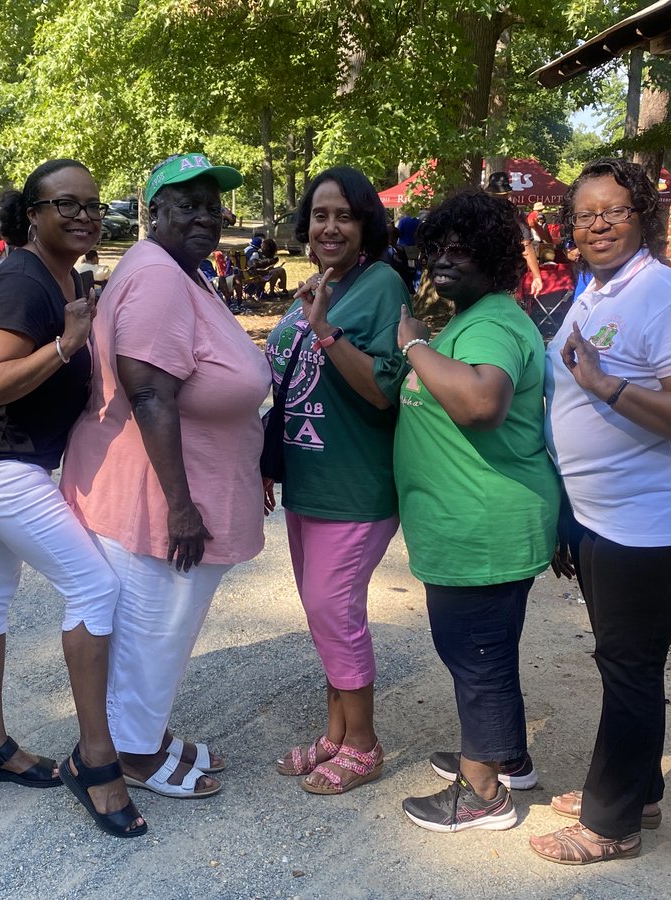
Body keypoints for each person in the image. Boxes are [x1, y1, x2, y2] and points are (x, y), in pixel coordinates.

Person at [530, 158, 671, 865]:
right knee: (632, 660)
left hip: (659, 520)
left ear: (643, 214)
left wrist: (610, 389)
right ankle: (638, 789)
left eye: (613, 211)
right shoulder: (596, 291)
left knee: (628, 663)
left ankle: (611, 821)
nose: (597, 225)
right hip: (604, 516)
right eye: (584, 214)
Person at [0, 161, 146, 838]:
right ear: (34, 213)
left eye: (94, 204)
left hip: (8, 459)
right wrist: (65, 345)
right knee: (95, 588)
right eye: (68, 205)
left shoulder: (69, 276)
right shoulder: (19, 282)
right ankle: (95, 758)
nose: (85, 215)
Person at [60, 153, 269, 800]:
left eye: (213, 205)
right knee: (153, 627)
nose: (207, 216)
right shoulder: (156, 276)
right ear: (154, 213)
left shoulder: (183, 272)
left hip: (176, 489)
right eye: (188, 205)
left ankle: (141, 731)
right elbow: (150, 394)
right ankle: (133, 754)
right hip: (152, 497)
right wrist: (180, 506)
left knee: (166, 627)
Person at [392, 190, 559, 833]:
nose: (444, 258)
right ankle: (506, 757)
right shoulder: (478, 317)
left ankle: (484, 793)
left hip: (482, 527)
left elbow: (482, 403)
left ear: (494, 256)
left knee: (477, 656)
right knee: (487, 650)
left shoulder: (488, 322)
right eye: (437, 247)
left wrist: (412, 345)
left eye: (463, 247)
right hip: (475, 523)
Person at [266, 166, 410, 795]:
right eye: (320, 215)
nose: (330, 226)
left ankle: (364, 744)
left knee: (334, 608)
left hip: (354, 484)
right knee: (323, 613)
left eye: (344, 216)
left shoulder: (380, 286)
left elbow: (382, 390)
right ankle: (336, 732)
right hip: (309, 478)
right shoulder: (325, 282)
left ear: (365, 225)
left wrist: (324, 330)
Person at [484, 172, 543, 299]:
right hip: (506, 273)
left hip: (477, 272)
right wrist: (537, 276)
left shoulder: (476, 212)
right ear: (507, 194)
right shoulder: (514, 213)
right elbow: (525, 245)